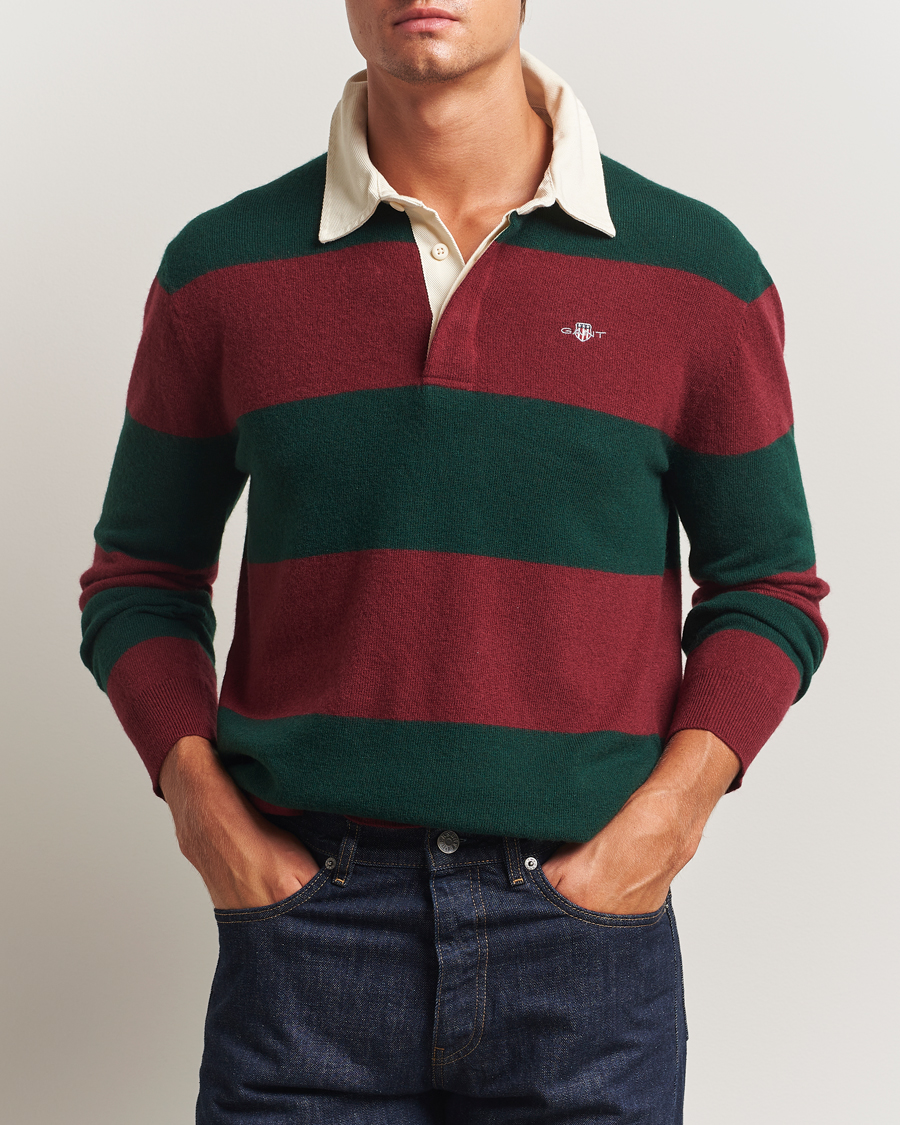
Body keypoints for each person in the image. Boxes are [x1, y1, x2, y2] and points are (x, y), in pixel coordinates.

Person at [79, 2, 829, 1121]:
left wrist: (666, 823)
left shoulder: (697, 273)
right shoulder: (222, 269)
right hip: (307, 934)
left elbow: (769, 587)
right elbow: (139, 576)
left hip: (584, 938)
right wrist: (203, 813)